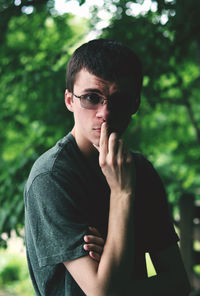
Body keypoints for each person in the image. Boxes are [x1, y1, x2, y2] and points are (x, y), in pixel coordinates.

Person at [24, 39, 191, 296]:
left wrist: (114, 275)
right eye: (91, 97)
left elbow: (178, 283)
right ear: (70, 100)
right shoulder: (51, 176)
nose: (105, 112)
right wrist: (122, 194)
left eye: (119, 99)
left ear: (134, 105)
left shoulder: (142, 171)